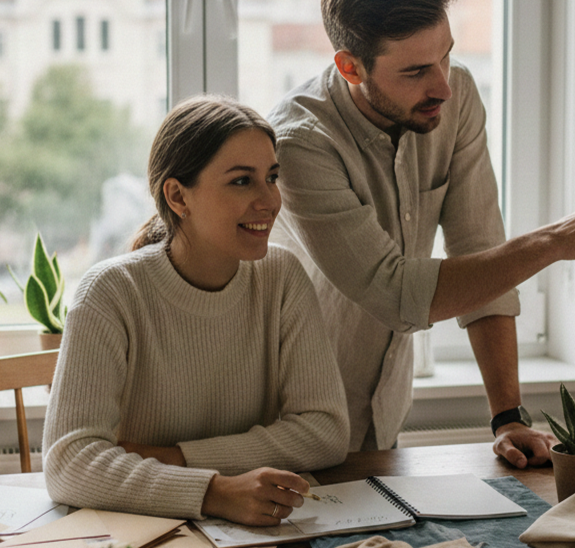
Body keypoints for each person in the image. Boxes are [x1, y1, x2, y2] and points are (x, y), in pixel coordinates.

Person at [267, 0, 575, 467]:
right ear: (350, 67)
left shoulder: (455, 96)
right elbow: (395, 294)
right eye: (415, 71)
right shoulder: (299, 141)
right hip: (291, 425)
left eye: (446, 55)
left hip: (385, 418)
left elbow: (479, 252)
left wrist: (507, 417)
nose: (443, 85)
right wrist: (553, 242)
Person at [42, 96, 349, 526]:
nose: (269, 200)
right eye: (242, 181)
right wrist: (215, 490)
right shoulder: (110, 292)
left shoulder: (282, 277)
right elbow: (68, 462)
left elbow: (326, 431)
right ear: (178, 196)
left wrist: (178, 458)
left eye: (271, 177)